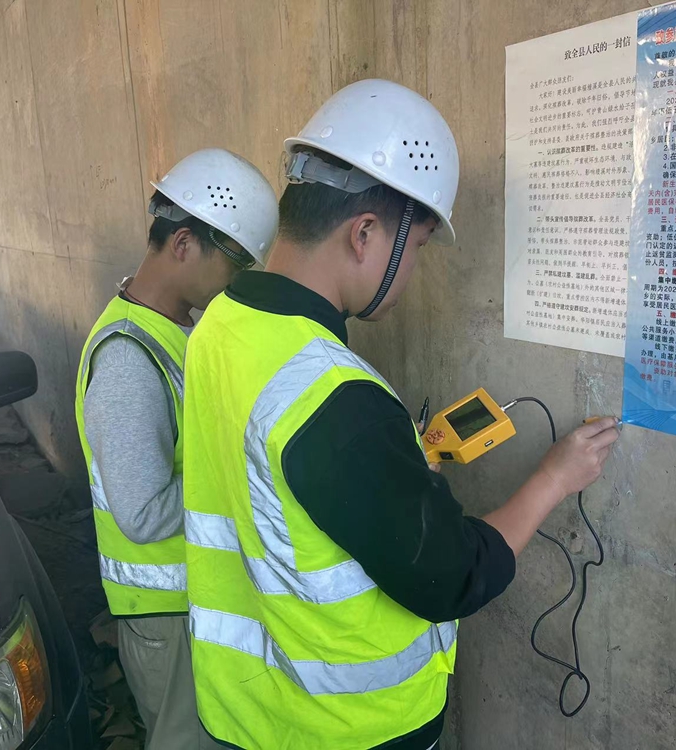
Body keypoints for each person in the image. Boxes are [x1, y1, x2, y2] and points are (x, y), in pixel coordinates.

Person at [181, 80, 620, 750]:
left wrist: (387, 468)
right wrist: (554, 479)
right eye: (416, 248)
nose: (413, 270)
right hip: (348, 731)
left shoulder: (221, 321)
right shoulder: (338, 399)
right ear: (364, 233)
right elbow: (452, 576)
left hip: (245, 711)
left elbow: (275, 487)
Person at [73, 148, 278, 750]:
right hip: (166, 617)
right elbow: (140, 513)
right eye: (234, 262)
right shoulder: (128, 360)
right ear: (184, 243)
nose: (237, 280)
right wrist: (252, 479)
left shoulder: (176, 331)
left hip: (195, 605)